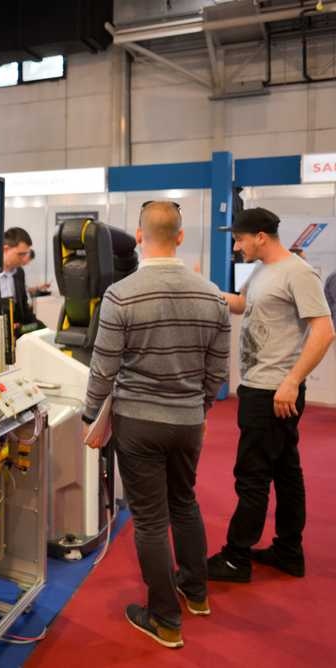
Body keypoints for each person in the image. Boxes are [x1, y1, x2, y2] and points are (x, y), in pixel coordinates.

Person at [82, 201, 231, 649]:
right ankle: (196, 592)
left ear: (140, 236)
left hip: (138, 422)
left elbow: (103, 367)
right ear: (180, 236)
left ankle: (165, 619)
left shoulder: (121, 295)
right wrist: (200, 407)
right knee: (184, 502)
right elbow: (217, 368)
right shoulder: (213, 295)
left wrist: (90, 414)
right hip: (188, 420)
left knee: (149, 520)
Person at [207, 208, 334, 583]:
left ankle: (236, 558)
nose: (236, 246)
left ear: (260, 236)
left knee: (253, 475)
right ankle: (288, 551)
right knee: (285, 471)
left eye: (240, 239)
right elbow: (243, 305)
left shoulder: (298, 272)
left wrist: (292, 381)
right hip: (260, 387)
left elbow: (324, 331)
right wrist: (204, 293)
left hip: (274, 392)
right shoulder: (262, 270)